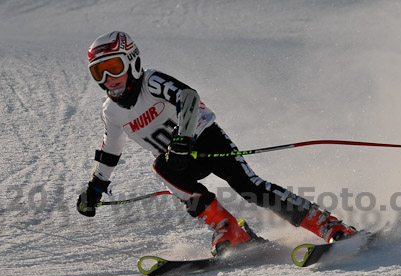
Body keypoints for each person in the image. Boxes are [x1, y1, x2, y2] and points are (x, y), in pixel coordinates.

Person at [77, 31, 356, 255]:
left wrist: (183, 139)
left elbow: (188, 97)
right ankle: (230, 229)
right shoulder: (111, 111)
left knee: (250, 188)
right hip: (179, 160)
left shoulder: (151, 81)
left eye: (114, 68)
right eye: (98, 73)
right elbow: (110, 150)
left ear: (133, 61)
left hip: (206, 139)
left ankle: (327, 224)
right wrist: (95, 189)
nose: (108, 80)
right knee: (161, 167)